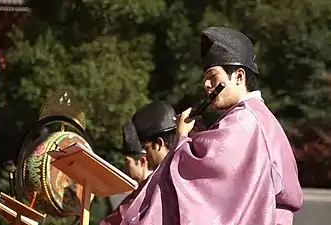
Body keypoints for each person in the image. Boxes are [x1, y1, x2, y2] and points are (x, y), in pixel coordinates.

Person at [121, 27, 303, 225]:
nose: (206, 85)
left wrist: (182, 139)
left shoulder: (244, 122)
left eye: (213, 76)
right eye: (204, 78)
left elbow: (202, 175)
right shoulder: (259, 118)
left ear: (239, 76)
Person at [100, 101, 177, 225]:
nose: (148, 157)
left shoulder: (157, 182)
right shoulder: (190, 168)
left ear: (159, 144)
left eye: (146, 149)